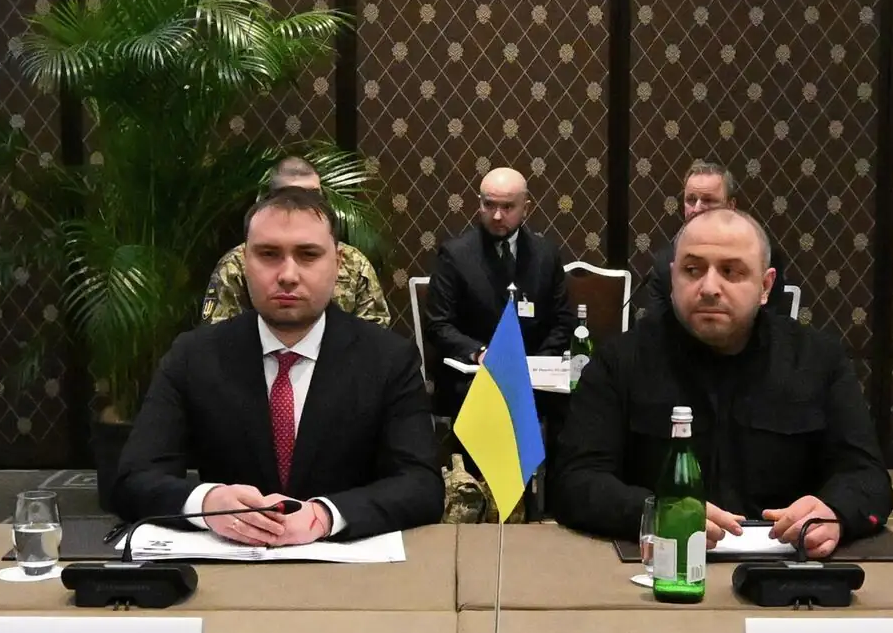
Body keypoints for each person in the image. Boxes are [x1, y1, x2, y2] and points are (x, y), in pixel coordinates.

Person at [551, 207, 893, 558]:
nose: (709, 288)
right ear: (673, 278)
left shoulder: (818, 360)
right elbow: (575, 481)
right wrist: (655, 511)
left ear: (765, 286)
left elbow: (867, 477)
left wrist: (835, 512)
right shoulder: (620, 361)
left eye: (731, 271)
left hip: (789, 567)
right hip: (661, 564)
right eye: (692, 270)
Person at [106, 186, 442, 543]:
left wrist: (327, 515)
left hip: (346, 565)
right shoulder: (193, 356)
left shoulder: (389, 358)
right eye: (269, 254)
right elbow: (132, 480)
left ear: (338, 263)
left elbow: (421, 485)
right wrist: (206, 503)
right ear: (243, 261)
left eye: (308, 255)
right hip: (228, 564)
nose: (288, 275)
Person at [425, 167, 572, 415]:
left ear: (526, 208)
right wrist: (479, 352)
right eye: (489, 205)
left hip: (535, 376)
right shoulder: (455, 255)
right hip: (475, 375)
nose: (496, 216)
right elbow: (438, 325)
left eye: (507, 207)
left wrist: (539, 361)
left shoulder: (546, 254)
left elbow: (563, 320)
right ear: (479, 204)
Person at [201, 156, 390, 325]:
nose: (302, 204)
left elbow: (374, 334)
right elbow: (219, 337)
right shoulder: (236, 264)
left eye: (312, 196)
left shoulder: (354, 262)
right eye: (290, 196)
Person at [635, 159, 789, 322]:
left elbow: (769, 325)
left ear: (730, 206)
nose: (696, 209)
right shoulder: (665, 261)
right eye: (691, 200)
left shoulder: (759, 255)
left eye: (708, 201)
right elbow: (655, 326)